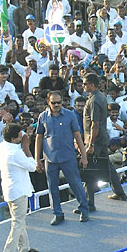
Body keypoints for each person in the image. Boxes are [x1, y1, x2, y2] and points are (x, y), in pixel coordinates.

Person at [35, 91, 89, 224]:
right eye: (53, 103)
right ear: (48, 102)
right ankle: (57, 213)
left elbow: (77, 136)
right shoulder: (43, 117)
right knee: (52, 188)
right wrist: (37, 159)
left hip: (68, 156)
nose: (57, 105)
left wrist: (84, 156)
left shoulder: (70, 116)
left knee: (76, 184)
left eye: (59, 102)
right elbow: (39, 138)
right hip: (50, 158)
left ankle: (84, 209)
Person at [81, 73, 127, 207]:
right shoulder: (101, 96)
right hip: (101, 137)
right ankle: (119, 192)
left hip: (95, 139)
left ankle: (89, 204)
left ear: (91, 85)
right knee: (107, 166)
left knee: (89, 170)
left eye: (85, 84)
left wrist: (91, 144)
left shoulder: (94, 100)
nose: (84, 86)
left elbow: (95, 124)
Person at [0, 123, 38, 252]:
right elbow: (33, 167)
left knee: (19, 220)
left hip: (10, 190)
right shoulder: (16, 153)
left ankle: (24, 248)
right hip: (18, 192)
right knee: (17, 223)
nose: (23, 135)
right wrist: (26, 148)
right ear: (14, 139)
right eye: (20, 134)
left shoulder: (2, 146)